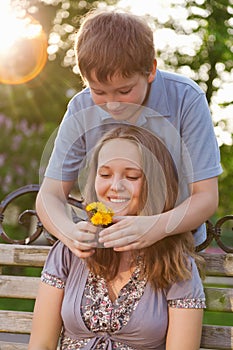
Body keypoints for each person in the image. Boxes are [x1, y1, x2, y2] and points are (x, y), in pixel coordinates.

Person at [36, 9, 222, 258]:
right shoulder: (81, 107)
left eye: (124, 91)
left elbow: (206, 197)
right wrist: (70, 232)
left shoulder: (186, 99)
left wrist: (156, 226)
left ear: (151, 70)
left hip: (172, 250)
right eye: (99, 92)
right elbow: (50, 195)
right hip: (105, 252)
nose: (113, 105)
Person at [29, 125, 206, 350]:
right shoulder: (71, 250)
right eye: (104, 174)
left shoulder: (176, 264)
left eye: (132, 176)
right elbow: (41, 345)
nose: (115, 186)